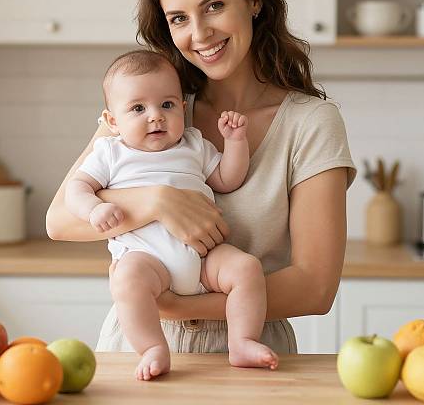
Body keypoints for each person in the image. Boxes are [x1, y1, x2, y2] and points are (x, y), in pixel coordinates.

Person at [46, 0, 356, 359]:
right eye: (178, 18)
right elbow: (60, 222)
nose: (200, 33)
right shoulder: (149, 106)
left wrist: (181, 307)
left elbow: (315, 287)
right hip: (136, 351)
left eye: (214, 6)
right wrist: (157, 201)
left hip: (249, 354)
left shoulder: (311, 124)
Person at [64, 49, 278, 380]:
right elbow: (75, 190)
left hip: (205, 257)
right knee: (127, 279)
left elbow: (227, 178)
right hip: (147, 258)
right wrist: (94, 209)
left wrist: (235, 142)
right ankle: (152, 347)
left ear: (182, 107)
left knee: (247, 269)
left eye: (166, 105)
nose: (155, 116)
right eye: (138, 108)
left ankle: (242, 341)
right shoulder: (110, 152)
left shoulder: (193, 143)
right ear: (112, 121)